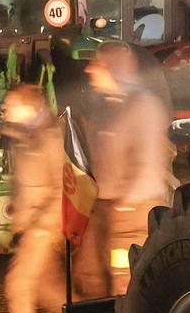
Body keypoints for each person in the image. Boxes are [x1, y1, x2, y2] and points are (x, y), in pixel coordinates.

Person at [73, 42, 175, 299]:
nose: (89, 69)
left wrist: (124, 208)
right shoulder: (108, 105)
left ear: (112, 69)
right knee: (90, 276)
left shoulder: (142, 106)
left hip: (130, 213)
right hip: (106, 207)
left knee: (123, 282)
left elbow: (147, 164)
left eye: (97, 64)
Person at [0, 85, 66, 313]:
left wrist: (44, 227)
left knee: (18, 284)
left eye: (12, 104)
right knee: (51, 293)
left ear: (29, 107)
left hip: (42, 226)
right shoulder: (26, 134)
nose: (7, 109)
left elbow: (61, 187)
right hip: (32, 224)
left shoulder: (47, 137)